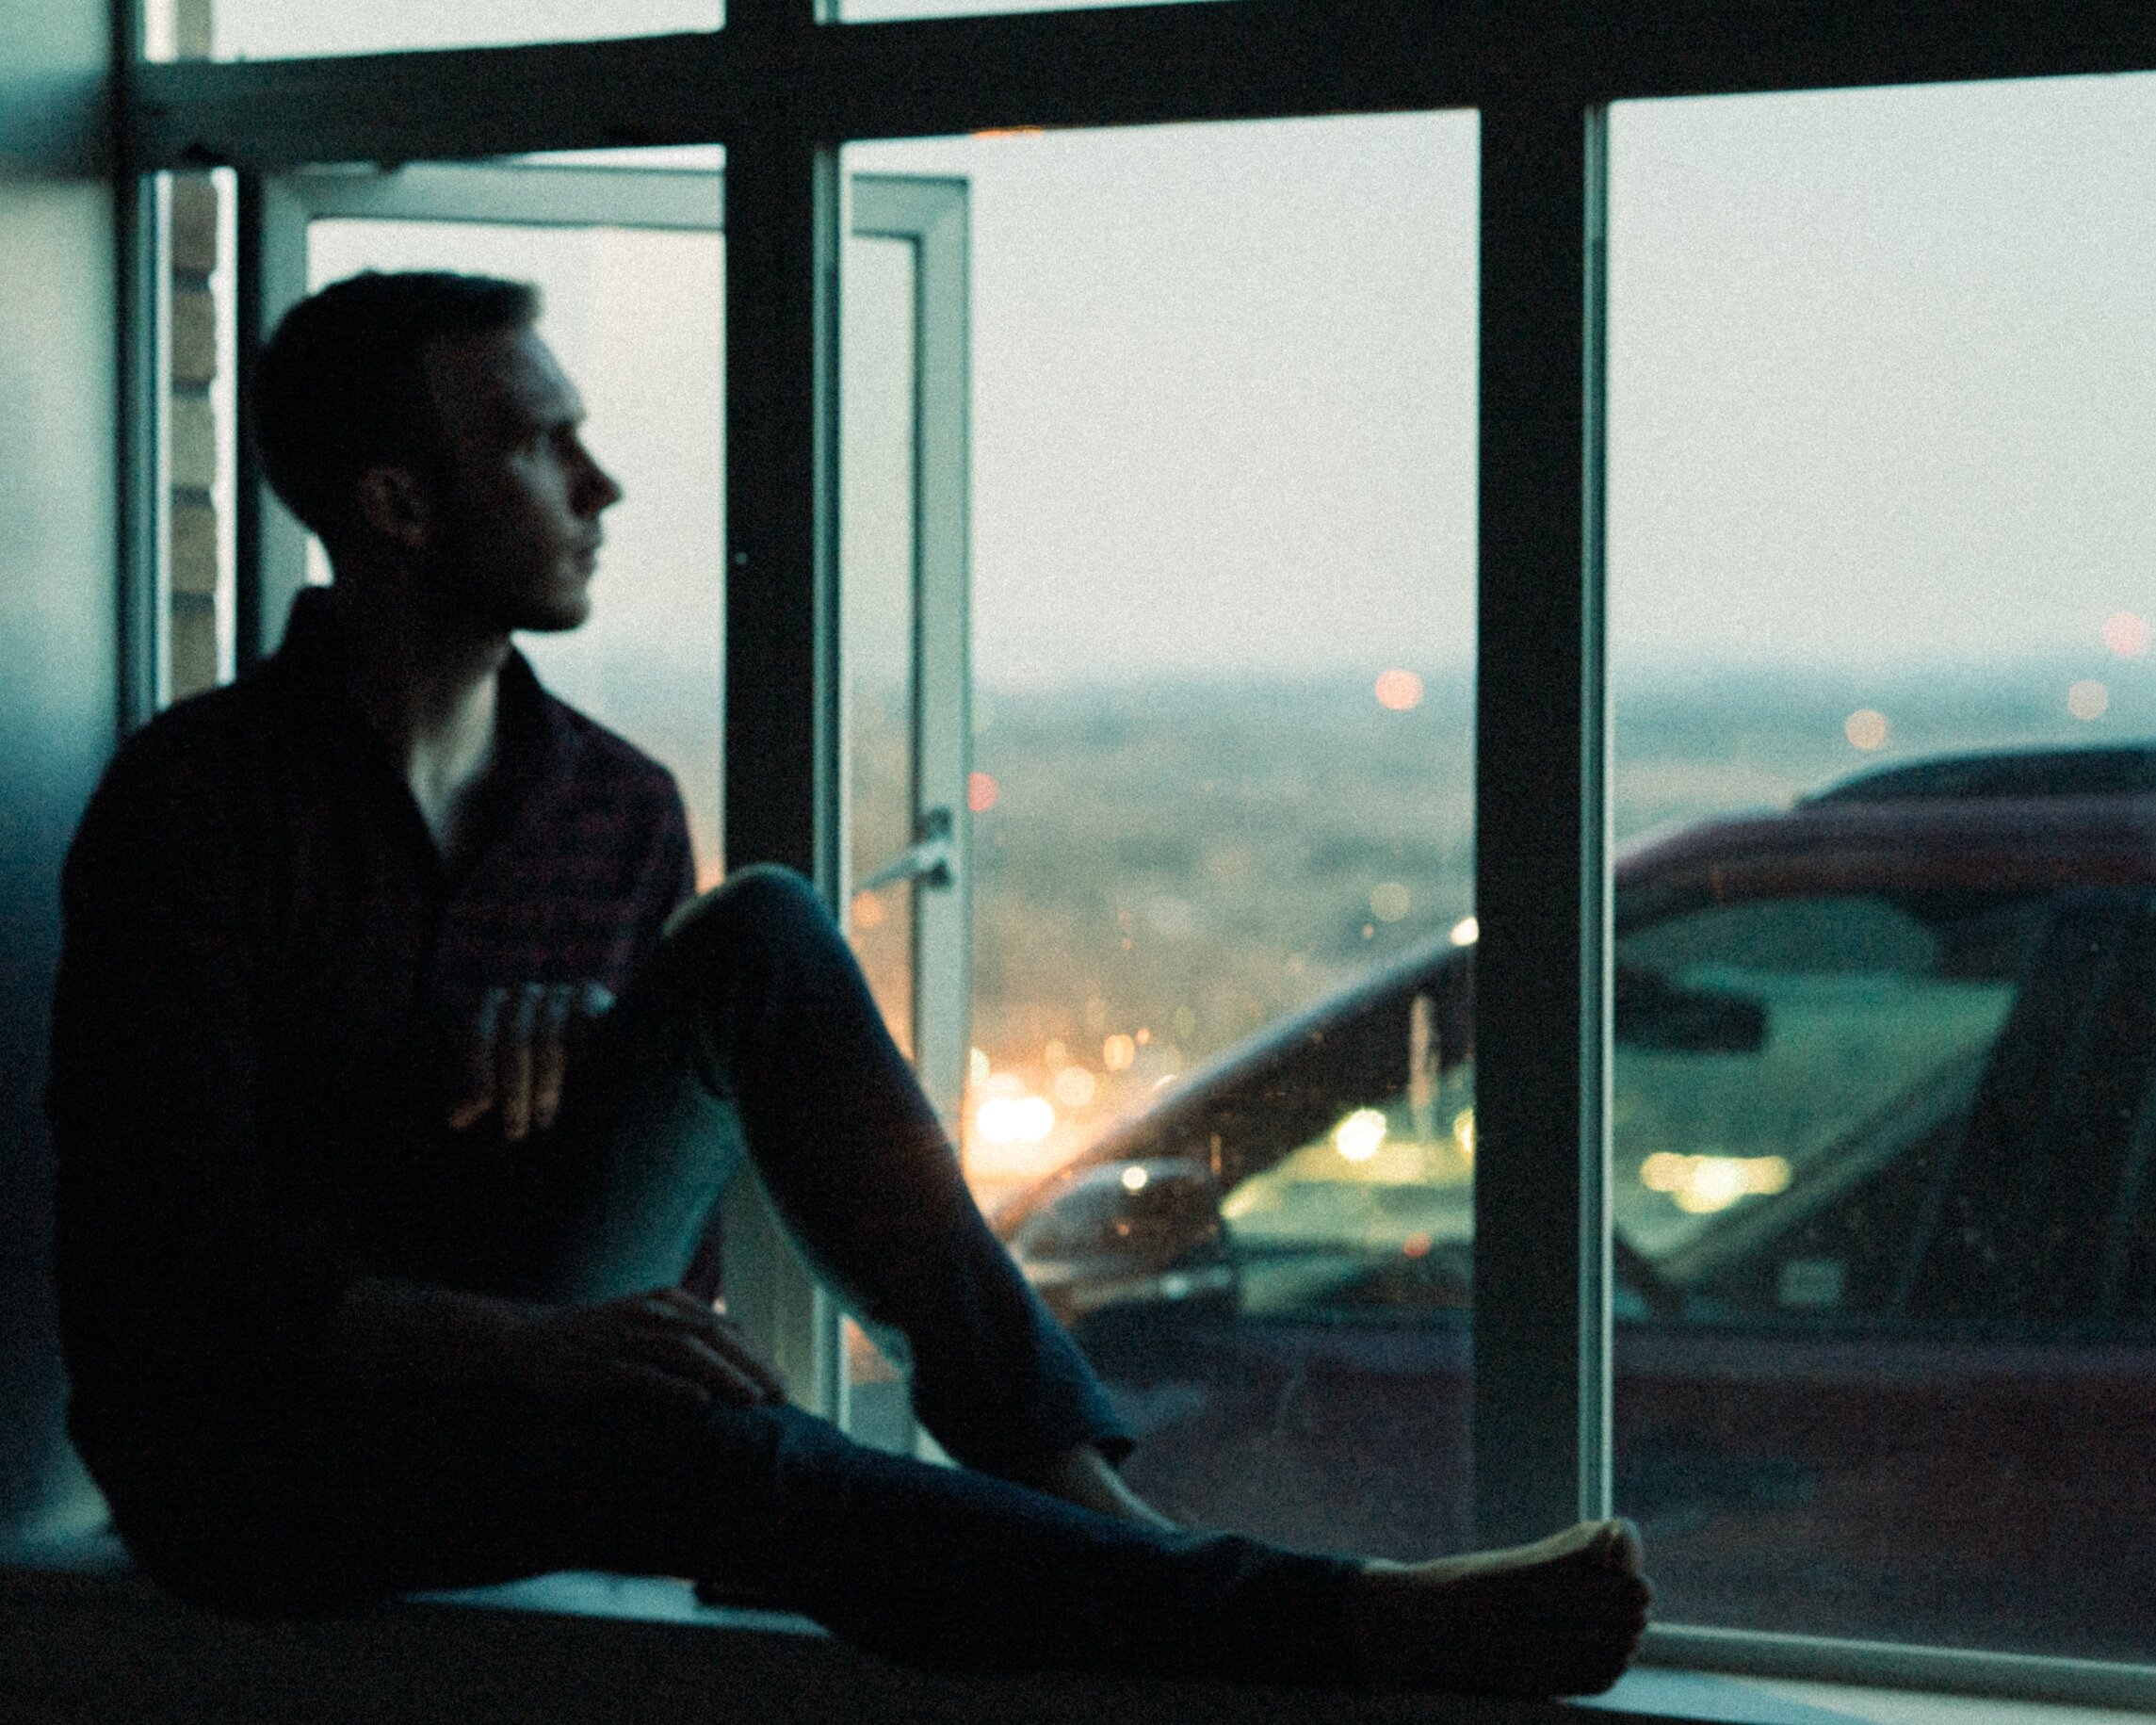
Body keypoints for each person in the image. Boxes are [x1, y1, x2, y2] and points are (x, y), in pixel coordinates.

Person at [47, 269, 1650, 1694]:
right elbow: (172, 1260)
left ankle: (1094, 1506)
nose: (601, 485)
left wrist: (596, 1071)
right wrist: (514, 1316)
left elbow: (659, 1285)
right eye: (540, 446)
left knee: (766, 926)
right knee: (718, 1455)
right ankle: (1325, 1622)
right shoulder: (197, 801)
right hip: (257, 1470)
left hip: (520, 1380)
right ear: (397, 505)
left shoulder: (610, 805)